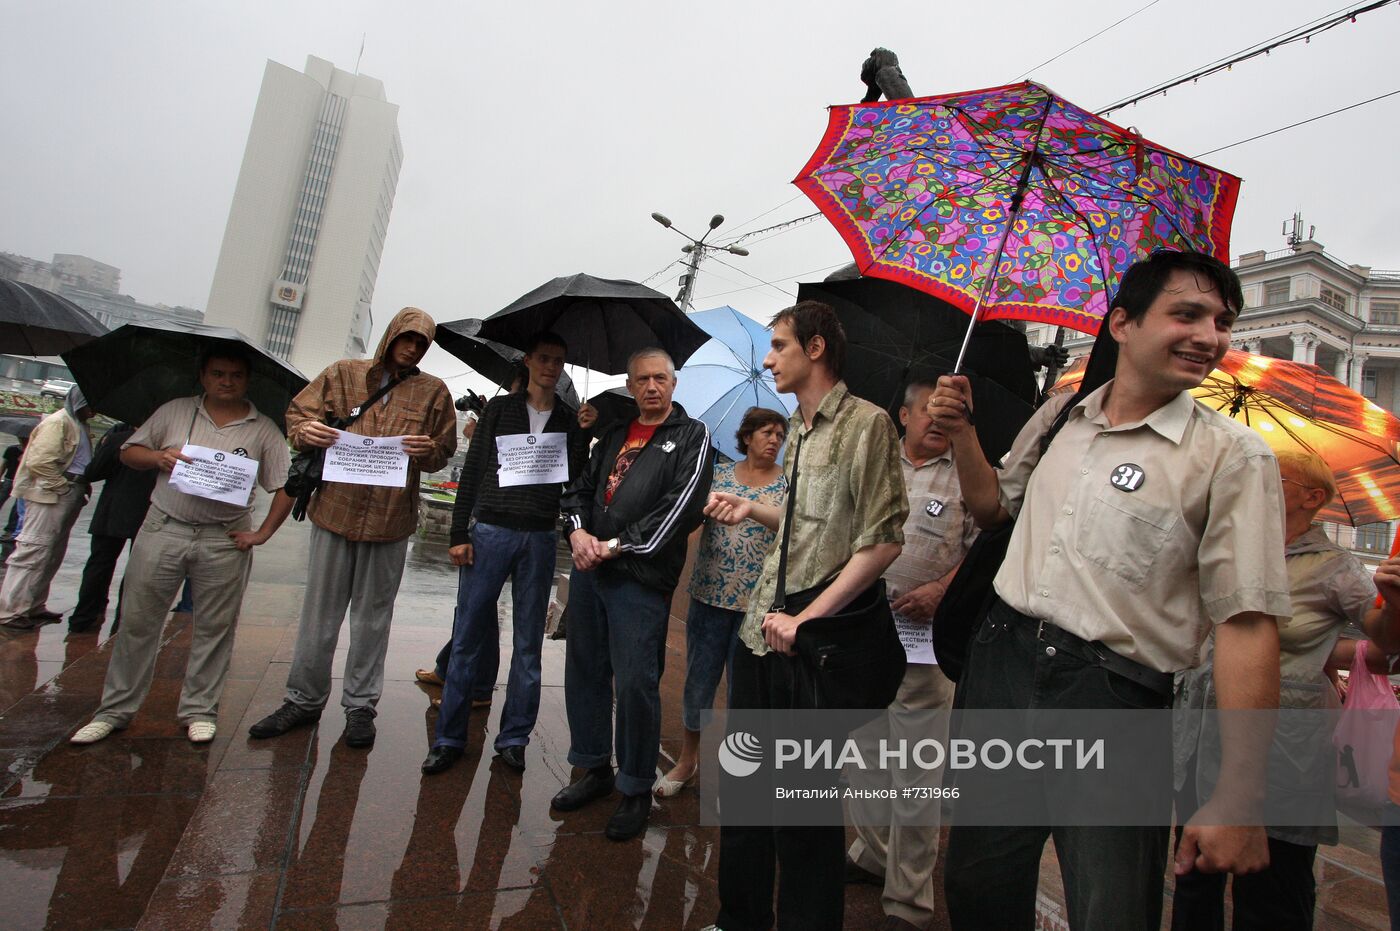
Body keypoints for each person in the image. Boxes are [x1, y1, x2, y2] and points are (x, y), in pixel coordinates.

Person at [927, 250, 1291, 931]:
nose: (1210, 336)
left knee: (1112, 907)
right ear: (1121, 323)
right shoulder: (1063, 416)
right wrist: (964, 431)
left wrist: (1240, 791)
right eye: (1186, 314)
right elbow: (991, 509)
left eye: (1223, 321)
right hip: (1000, 668)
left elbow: (1247, 623)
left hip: (1115, 698)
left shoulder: (1234, 457)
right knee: (977, 884)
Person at [704, 300, 906, 931]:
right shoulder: (797, 429)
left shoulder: (866, 425)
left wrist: (806, 619)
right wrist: (748, 506)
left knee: (803, 812)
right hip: (758, 634)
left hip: (807, 647)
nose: (769, 359)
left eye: (780, 345)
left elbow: (882, 540)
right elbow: (803, 523)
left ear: (815, 349)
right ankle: (740, 919)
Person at [1172, 449, 1378, 930]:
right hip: (1203, 729)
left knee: (1274, 881)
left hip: (1285, 741)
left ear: (1312, 497)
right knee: (1194, 870)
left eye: (1273, 477)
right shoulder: (1233, 548)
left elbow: (1388, 642)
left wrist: (1324, 654)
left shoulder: (1335, 567)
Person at [249, 307, 457, 749]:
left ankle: (361, 707)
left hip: (391, 520)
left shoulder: (433, 391)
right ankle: (302, 700)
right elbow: (296, 415)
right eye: (406, 338)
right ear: (390, 337)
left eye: (421, 343)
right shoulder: (343, 373)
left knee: (373, 620)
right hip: (335, 511)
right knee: (318, 615)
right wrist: (308, 431)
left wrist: (429, 450)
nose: (412, 347)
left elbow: (444, 450)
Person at [69, 348, 294, 744]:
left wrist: (261, 533)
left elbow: (285, 485)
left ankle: (200, 710)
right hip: (164, 528)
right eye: (218, 373)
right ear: (203, 376)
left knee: (215, 628)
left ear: (247, 380)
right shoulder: (174, 411)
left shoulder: (263, 429)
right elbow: (129, 452)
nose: (227, 381)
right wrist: (159, 457)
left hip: (224, 538)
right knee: (138, 621)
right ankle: (115, 710)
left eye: (236, 375)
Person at [551, 347, 713, 841]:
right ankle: (594, 767)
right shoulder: (614, 434)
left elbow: (681, 508)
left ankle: (636, 786)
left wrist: (616, 546)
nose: (651, 387)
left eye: (660, 378)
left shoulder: (691, 436)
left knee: (638, 683)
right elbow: (577, 491)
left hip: (639, 579)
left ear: (673, 383)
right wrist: (577, 534)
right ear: (629, 383)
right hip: (590, 570)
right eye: (642, 379)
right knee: (585, 670)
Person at [421, 331, 594, 775]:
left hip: (538, 537)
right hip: (491, 531)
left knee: (528, 645)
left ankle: (514, 738)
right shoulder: (500, 410)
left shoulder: (572, 421)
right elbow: (475, 471)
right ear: (529, 362)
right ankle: (448, 737)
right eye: (543, 359)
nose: (551, 367)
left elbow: (575, 481)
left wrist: (591, 430)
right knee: (467, 638)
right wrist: (459, 533)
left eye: (559, 361)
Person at [844, 379, 978, 931]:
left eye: (952, 412)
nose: (939, 420)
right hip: (865, 635)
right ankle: (875, 857)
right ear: (903, 414)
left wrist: (942, 589)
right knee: (863, 764)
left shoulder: (970, 476)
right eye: (930, 409)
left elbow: (983, 550)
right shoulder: (874, 464)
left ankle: (908, 902)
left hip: (926, 651)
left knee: (917, 779)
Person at [653, 406, 787, 797]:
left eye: (780, 435)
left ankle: (739, 770)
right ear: (746, 437)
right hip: (709, 596)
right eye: (766, 432)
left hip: (756, 609)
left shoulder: (787, 484)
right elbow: (691, 521)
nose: (774, 440)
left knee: (747, 694)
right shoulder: (718, 474)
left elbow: (790, 525)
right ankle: (688, 761)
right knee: (699, 682)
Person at [0, 386, 94, 630]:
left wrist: (79, 486)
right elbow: (39, 462)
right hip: (49, 496)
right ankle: (11, 610)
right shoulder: (58, 423)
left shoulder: (79, 425)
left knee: (51, 552)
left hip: (67, 491)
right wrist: (61, 486)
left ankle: (33, 605)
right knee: (33, 549)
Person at [66, 422, 158, 634]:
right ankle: (124, 622)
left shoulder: (120, 437)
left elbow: (94, 471)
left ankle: (84, 617)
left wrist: (108, 445)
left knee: (99, 565)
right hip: (148, 512)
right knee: (137, 571)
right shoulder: (168, 443)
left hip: (113, 511)